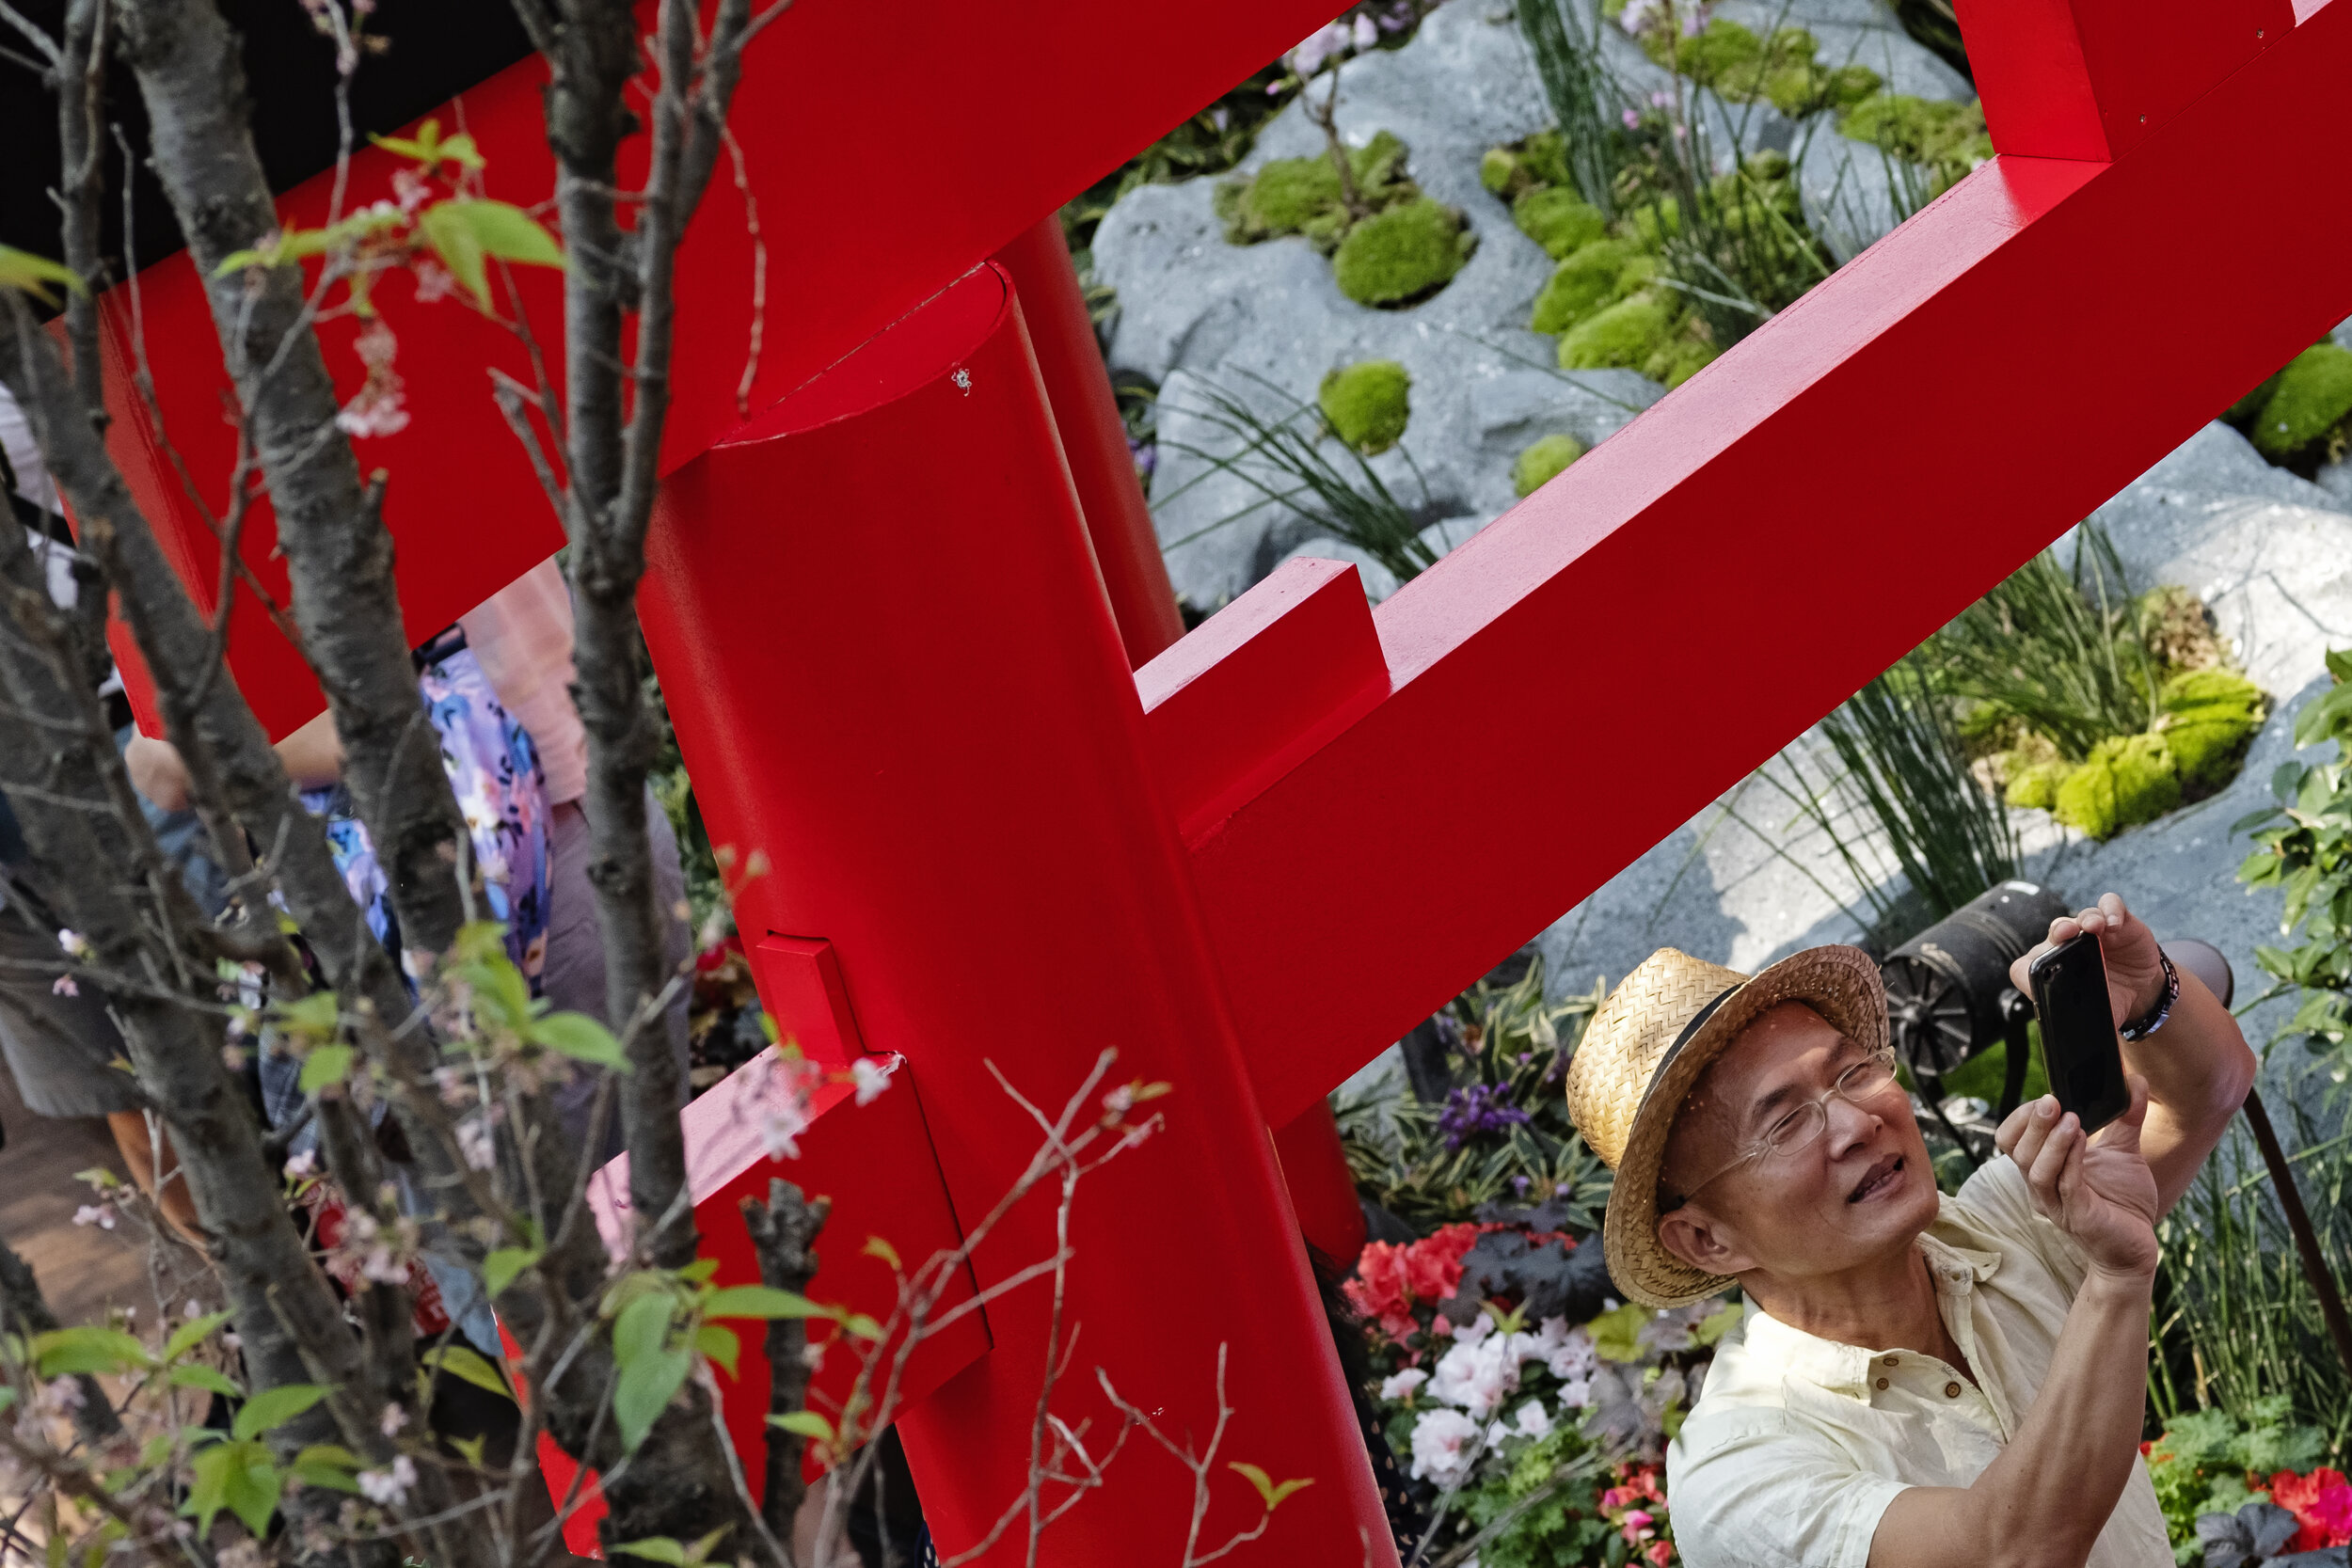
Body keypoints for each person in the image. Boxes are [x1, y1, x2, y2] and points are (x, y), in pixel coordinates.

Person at [1562, 894, 2254, 1568]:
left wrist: (2149, 993)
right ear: (1707, 1239)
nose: (1857, 1122)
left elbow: (2209, 1087)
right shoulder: (1737, 1471)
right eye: (1785, 1123)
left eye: (1853, 1071)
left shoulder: (1998, 1225)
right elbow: (2011, 1553)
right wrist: (2115, 1277)